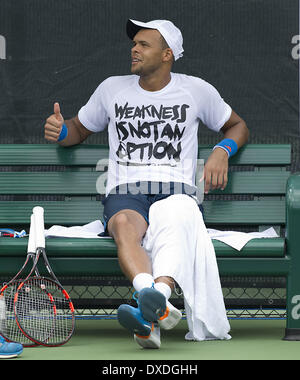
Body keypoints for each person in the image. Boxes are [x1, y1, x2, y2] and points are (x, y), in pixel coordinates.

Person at [44, 19, 249, 349]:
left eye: (143, 44)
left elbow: (237, 125)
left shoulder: (196, 89)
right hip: (127, 191)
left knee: (177, 220)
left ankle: (152, 307)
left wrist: (222, 151)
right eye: (134, 43)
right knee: (123, 224)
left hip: (176, 191)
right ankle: (154, 301)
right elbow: (78, 130)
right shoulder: (112, 88)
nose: (134, 49)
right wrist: (61, 131)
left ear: (167, 54)